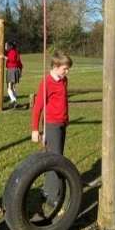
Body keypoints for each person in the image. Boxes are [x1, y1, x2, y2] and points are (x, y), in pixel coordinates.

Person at [31, 51, 73, 207]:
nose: (66, 72)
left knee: (55, 157)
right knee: (56, 159)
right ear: (55, 67)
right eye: (64, 69)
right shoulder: (46, 83)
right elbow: (38, 108)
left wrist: (66, 119)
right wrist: (35, 129)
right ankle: (53, 196)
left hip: (62, 123)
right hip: (52, 125)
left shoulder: (64, 80)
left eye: (68, 69)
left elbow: (63, 102)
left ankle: (47, 190)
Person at [1, 40, 23, 109]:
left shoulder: (12, 52)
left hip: (12, 70)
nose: (5, 47)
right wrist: (20, 72)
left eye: (6, 46)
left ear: (10, 46)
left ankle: (14, 101)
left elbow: (11, 59)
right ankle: (14, 102)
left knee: (9, 87)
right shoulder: (15, 52)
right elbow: (20, 64)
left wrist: (4, 57)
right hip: (15, 70)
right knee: (12, 87)